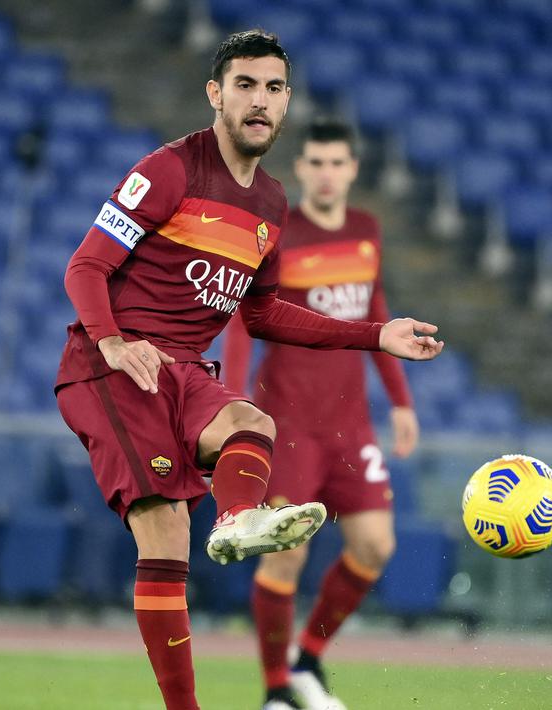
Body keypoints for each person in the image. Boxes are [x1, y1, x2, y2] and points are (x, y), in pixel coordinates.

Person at [54, 31, 443, 710]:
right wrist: (111, 342)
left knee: (250, 423)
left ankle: (236, 518)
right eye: (244, 85)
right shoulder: (169, 170)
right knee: (166, 534)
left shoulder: (270, 204)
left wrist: (375, 335)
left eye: (273, 88)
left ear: (286, 101)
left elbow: (263, 314)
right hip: (111, 368)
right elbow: (85, 266)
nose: (259, 100)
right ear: (216, 94)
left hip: (182, 370)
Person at [222, 119, 420, 710]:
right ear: (301, 169)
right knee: (286, 551)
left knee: (375, 546)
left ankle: (307, 660)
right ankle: (276, 693)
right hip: (288, 425)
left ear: (352, 170)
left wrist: (401, 400)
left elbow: (375, 312)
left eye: (337, 163)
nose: (327, 173)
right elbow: (244, 320)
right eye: (316, 163)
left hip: (350, 424)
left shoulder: (366, 230)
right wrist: (232, 399)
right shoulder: (278, 231)